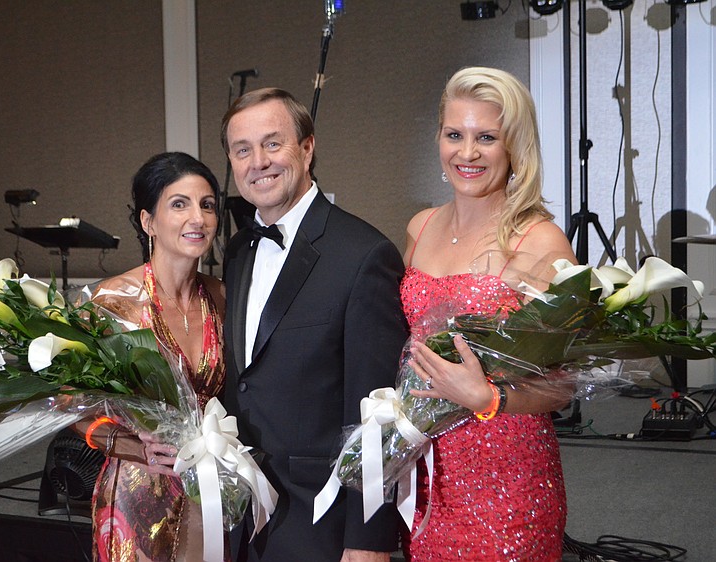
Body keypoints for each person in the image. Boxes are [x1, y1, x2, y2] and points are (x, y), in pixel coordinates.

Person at [220, 87, 408, 561]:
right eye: (243, 150)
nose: (258, 161)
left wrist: (367, 542)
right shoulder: (239, 251)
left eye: (272, 143)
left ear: (307, 148)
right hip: (243, 517)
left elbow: (377, 416)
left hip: (320, 521)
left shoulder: (363, 254)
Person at [400, 67, 577, 560]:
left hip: (507, 479)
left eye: (487, 138)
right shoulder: (420, 226)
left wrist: (489, 396)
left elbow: (566, 383)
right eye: (455, 135)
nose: (468, 153)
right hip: (427, 473)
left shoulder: (541, 241)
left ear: (514, 148)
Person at [76, 152, 227, 561]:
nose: (198, 218)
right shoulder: (111, 301)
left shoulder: (223, 296)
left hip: (214, 489)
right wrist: (129, 445)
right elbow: (68, 405)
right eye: (179, 204)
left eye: (207, 205)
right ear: (148, 221)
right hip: (139, 495)